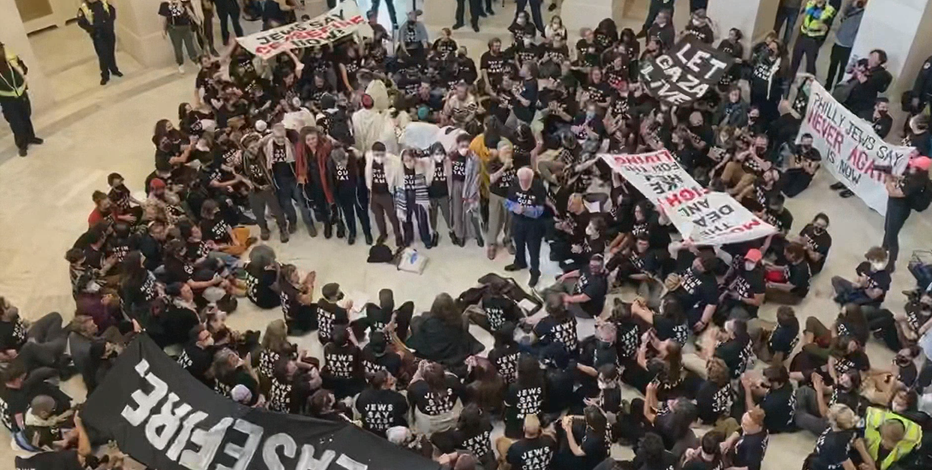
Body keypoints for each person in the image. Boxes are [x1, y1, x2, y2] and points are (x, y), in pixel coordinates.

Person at [883, 156, 931, 272]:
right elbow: (903, 181)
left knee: (892, 235)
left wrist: (888, 178)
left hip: (900, 208)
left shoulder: (916, 181)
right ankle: (883, 249)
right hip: (896, 205)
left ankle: (891, 262)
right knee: (887, 229)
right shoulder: (916, 176)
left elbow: (895, 193)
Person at [505, 167, 547, 287]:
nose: (523, 183)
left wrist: (525, 210)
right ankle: (520, 262)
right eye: (521, 180)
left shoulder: (538, 187)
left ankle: (535, 272)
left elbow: (539, 210)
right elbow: (507, 202)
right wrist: (514, 207)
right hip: (518, 221)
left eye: (526, 180)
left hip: (533, 224)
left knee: (534, 249)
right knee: (519, 243)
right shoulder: (514, 183)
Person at [0, 42, 42, 157]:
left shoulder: (7, 55)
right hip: (7, 99)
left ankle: (31, 137)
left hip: (21, 92)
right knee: (16, 122)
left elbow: (18, 63)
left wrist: (22, 68)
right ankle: (22, 145)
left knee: (25, 115)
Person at [76, 0, 121, 86]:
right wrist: (91, 29)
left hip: (108, 32)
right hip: (98, 36)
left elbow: (112, 12)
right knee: (102, 54)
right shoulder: (84, 8)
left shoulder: (104, 4)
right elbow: (81, 21)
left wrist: (109, 24)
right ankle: (105, 74)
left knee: (110, 52)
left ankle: (114, 69)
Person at [824, 0, 865, 91]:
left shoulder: (863, 15)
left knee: (842, 70)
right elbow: (843, 13)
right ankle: (828, 85)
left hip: (848, 46)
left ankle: (837, 89)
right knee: (833, 66)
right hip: (838, 41)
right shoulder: (850, 8)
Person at [789, 0, 836, 77]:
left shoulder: (829, 10)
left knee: (810, 65)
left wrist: (819, 19)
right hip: (803, 35)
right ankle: (789, 80)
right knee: (795, 61)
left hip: (813, 40)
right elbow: (803, 16)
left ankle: (808, 84)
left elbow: (825, 28)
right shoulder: (810, 4)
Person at [158, 0, 200, 75]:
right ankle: (180, 63)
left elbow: (190, 12)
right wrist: (163, 29)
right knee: (177, 47)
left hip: (186, 27)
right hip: (174, 29)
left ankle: (195, 60)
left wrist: (196, 21)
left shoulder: (184, 2)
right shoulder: (165, 4)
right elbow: (163, 18)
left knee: (190, 45)